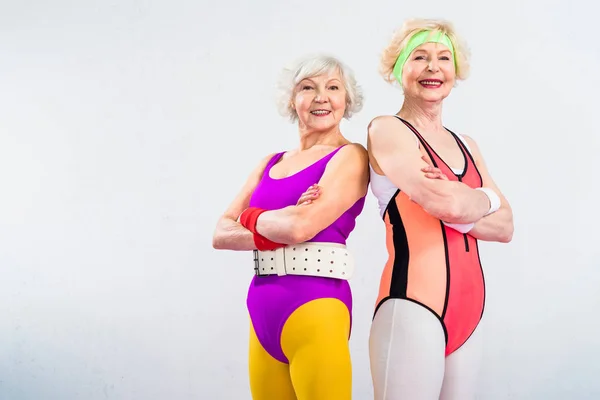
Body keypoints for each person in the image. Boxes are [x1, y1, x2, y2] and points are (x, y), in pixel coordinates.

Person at [365, 18, 515, 399]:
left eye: (443, 57)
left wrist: (478, 203)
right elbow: (444, 202)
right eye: (419, 57)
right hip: (413, 307)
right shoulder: (388, 130)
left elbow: (506, 226)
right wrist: (482, 199)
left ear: (455, 71)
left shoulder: (467, 144)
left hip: (470, 311)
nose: (433, 67)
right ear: (399, 68)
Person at [212, 54, 369, 400]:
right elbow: (221, 234)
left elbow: (300, 228)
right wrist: (280, 221)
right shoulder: (270, 162)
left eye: (332, 87)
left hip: (316, 306)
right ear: (291, 99)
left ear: (347, 99)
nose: (321, 97)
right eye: (307, 87)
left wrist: (251, 217)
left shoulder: (350, 156)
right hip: (262, 309)